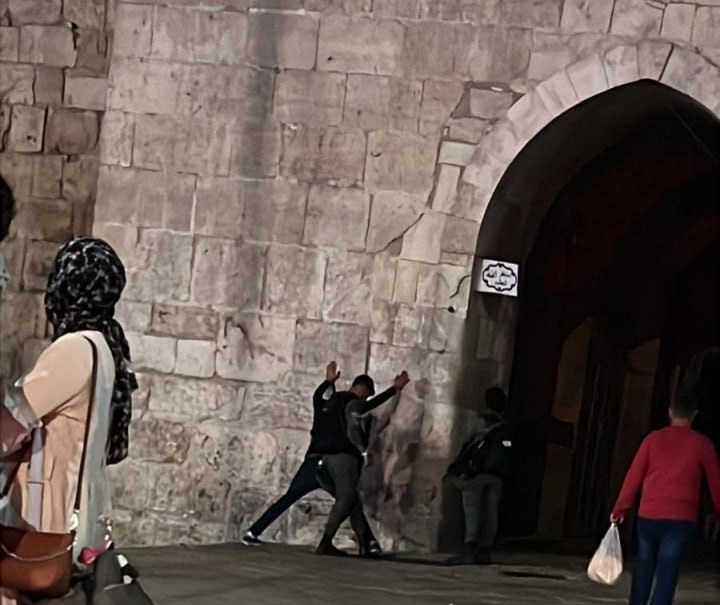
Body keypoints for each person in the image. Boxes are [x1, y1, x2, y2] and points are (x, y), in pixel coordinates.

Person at [0, 238, 137, 604]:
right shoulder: (105, 346)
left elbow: (10, 424)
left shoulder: (74, 350)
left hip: (43, 519)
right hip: (72, 514)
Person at [243, 362, 409, 556]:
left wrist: (328, 382)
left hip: (313, 460)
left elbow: (316, 396)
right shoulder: (353, 402)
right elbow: (367, 406)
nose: (365, 398)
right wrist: (394, 389)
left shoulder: (325, 402)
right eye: (366, 394)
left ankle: (253, 532)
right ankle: (347, 543)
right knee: (348, 499)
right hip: (336, 459)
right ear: (362, 390)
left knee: (292, 497)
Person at [611, 392, 720, 605]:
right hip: (681, 518)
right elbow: (715, 482)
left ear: (670, 412)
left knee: (644, 564)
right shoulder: (702, 444)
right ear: (694, 415)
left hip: (648, 514)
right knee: (667, 569)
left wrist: (620, 508)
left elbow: (633, 476)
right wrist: (717, 510)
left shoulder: (652, 440)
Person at [445, 387, 512, 565]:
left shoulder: (481, 420)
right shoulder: (506, 426)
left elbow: (468, 441)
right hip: (496, 475)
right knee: (491, 513)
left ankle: (469, 550)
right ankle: (485, 551)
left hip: (476, 473)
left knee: (472, 512)